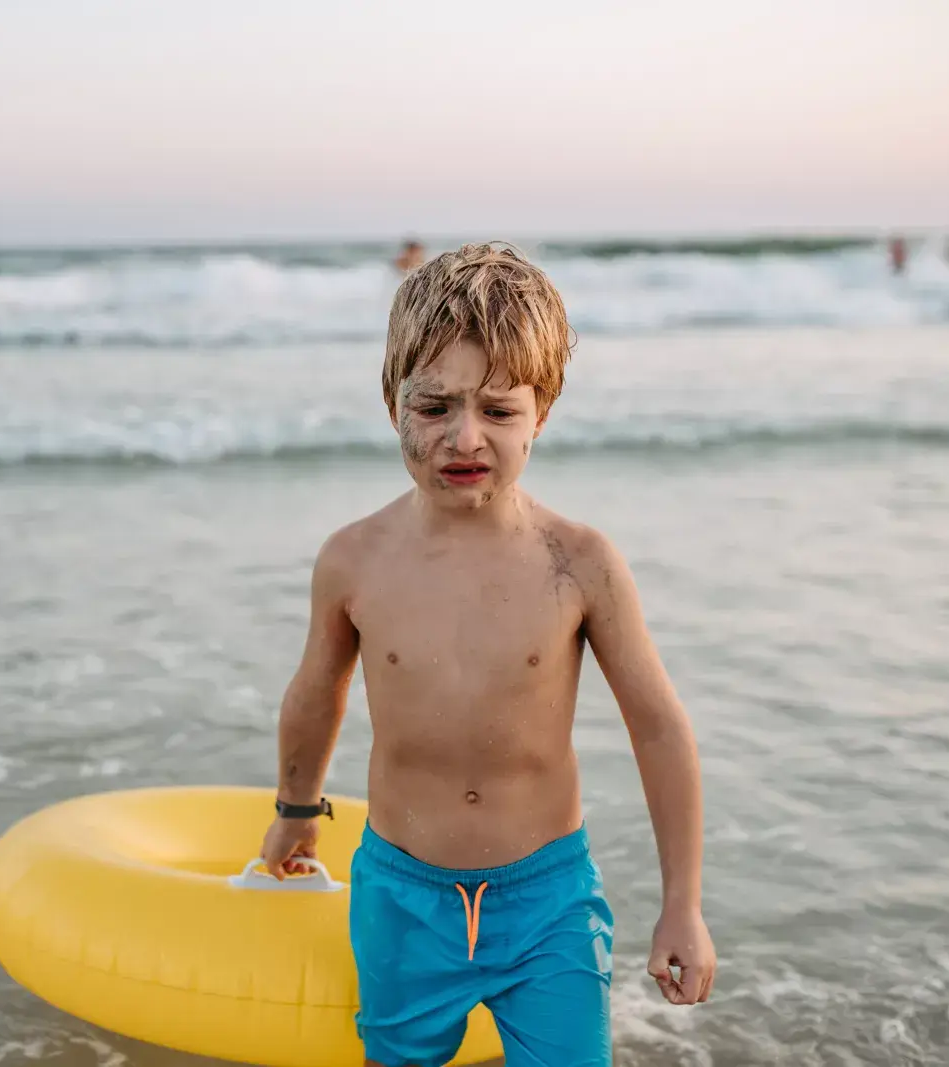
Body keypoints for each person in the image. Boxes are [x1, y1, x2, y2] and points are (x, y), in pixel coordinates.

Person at [257, 243, 715, 1066]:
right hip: (402, 896)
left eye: (499, 411)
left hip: (547, 900)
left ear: (542, 413)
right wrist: (296, 812)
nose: (464, 437)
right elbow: (316, 692)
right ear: (392, 404)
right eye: (434, 406)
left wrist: (683, 902)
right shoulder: (354, 560)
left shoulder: (578, 562)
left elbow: (658, 727)